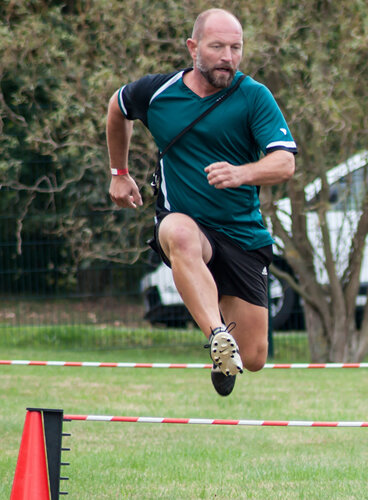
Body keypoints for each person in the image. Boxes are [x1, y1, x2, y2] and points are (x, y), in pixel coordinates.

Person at [106, 8, 297, 396]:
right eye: (217, 47)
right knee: (176, 230)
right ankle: (217, 337)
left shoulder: (254, 97)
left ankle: (228, 350)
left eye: (235, 48)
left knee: (255, 357)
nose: (228, 57)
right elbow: (117, 107)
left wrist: (242, 173)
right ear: (193, 47)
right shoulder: (157, 93)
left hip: (241, 233)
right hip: (188, 224)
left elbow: (285, 162)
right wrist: (119, 173)